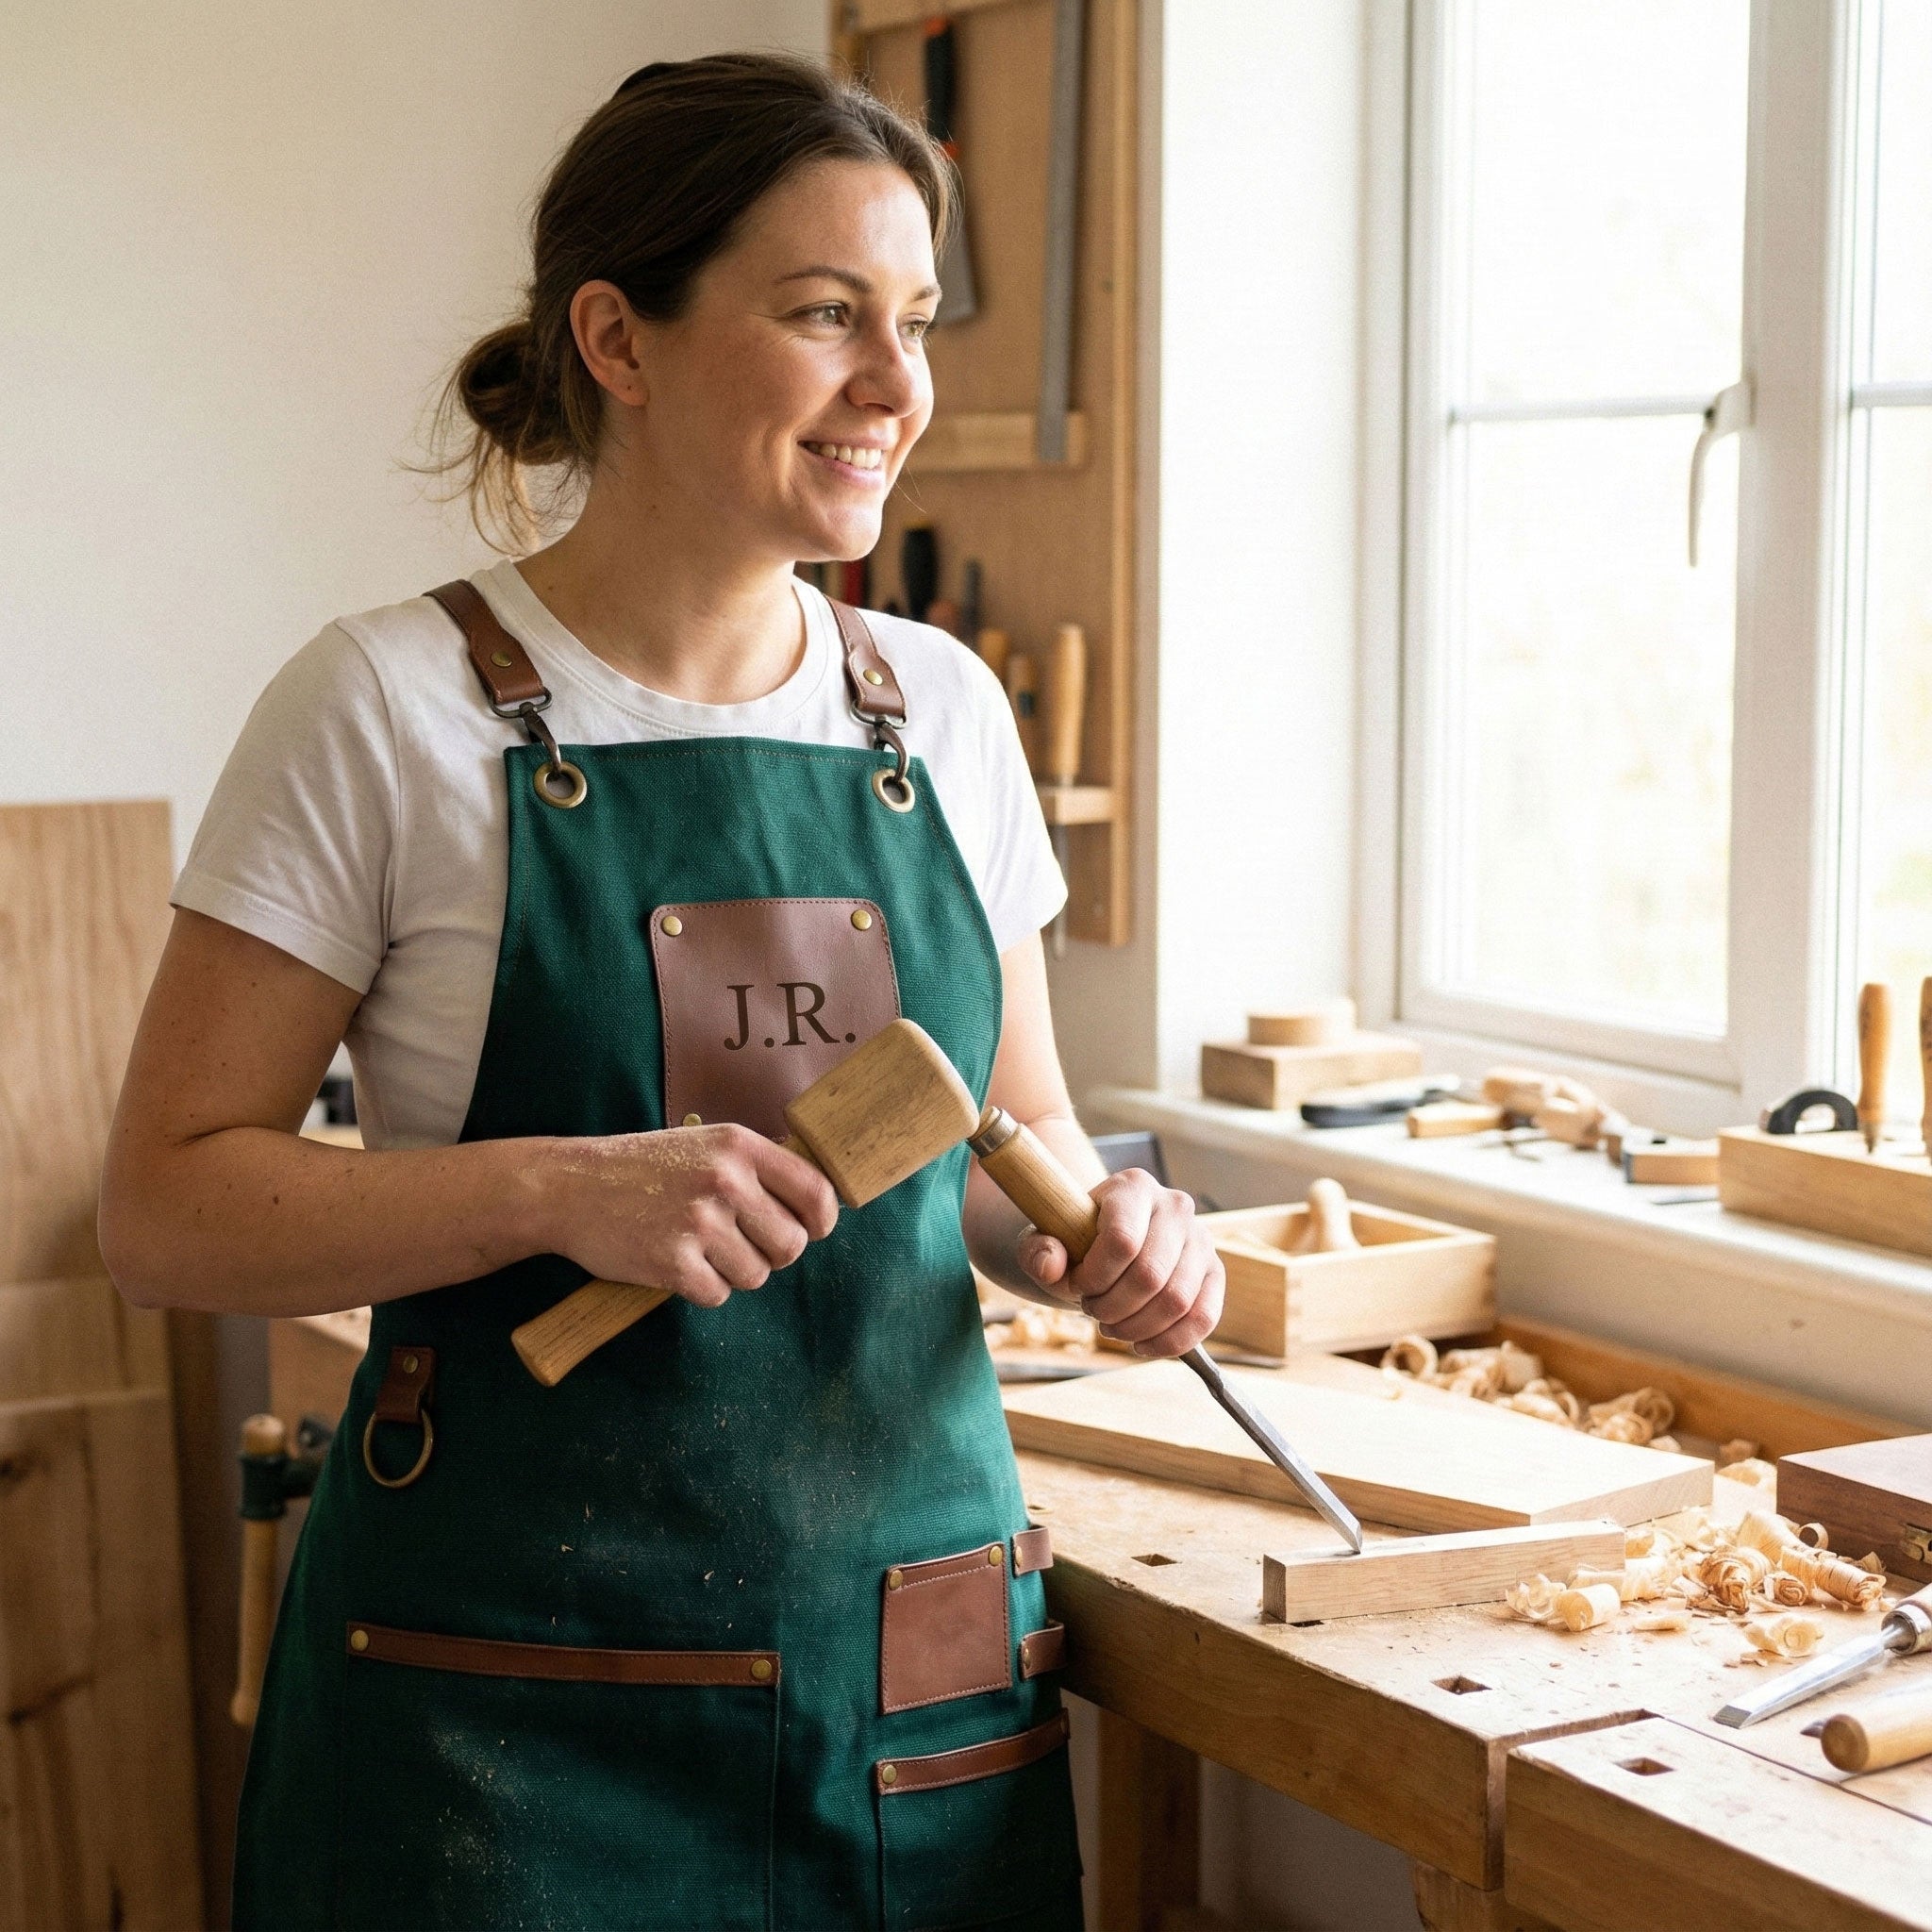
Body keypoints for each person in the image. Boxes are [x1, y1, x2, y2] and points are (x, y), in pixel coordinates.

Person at [101, 52, 1223, 1931]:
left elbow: (1009, 1141)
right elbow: (165, 1207)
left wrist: (1113, 1230)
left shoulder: (936, 712)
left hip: (898, 1708)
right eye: (822, 315)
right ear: (617, 339)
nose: (894, 385)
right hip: (502, 1722)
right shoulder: (389, 709)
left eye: (917, 322)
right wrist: (557, 1184)